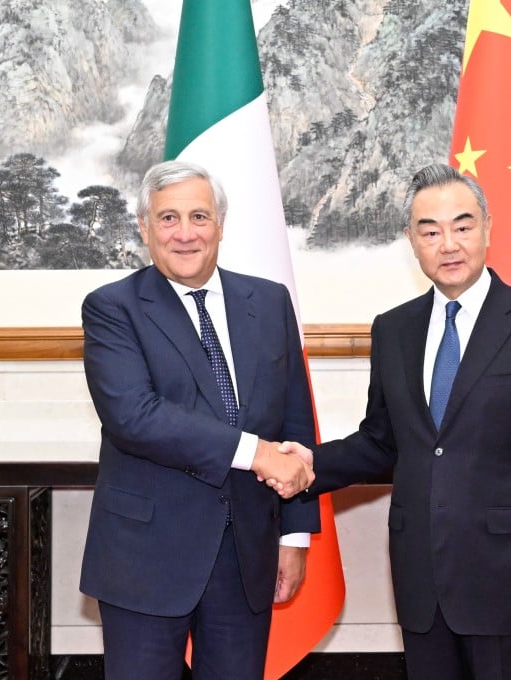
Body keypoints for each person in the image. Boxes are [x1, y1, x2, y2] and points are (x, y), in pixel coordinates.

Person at [282, 163, 511, 679]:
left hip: (509, 582)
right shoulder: (393, 329)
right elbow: (382, 442)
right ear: (411, 240)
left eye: (462, 226)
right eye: (430, 231)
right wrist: (308, 463)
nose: (448, 244)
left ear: (488, 227)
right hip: (422, 578)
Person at [79, 160, 319, 680]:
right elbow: (135, 416)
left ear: (220, 225)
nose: (184, 234)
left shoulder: (270, 301)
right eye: (167, 219)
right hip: (146, 557)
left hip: (246, 553)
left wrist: (294, 537)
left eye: (198, 217)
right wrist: (254, 452)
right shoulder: (112, 308)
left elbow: (295, 421)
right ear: (144, 228)